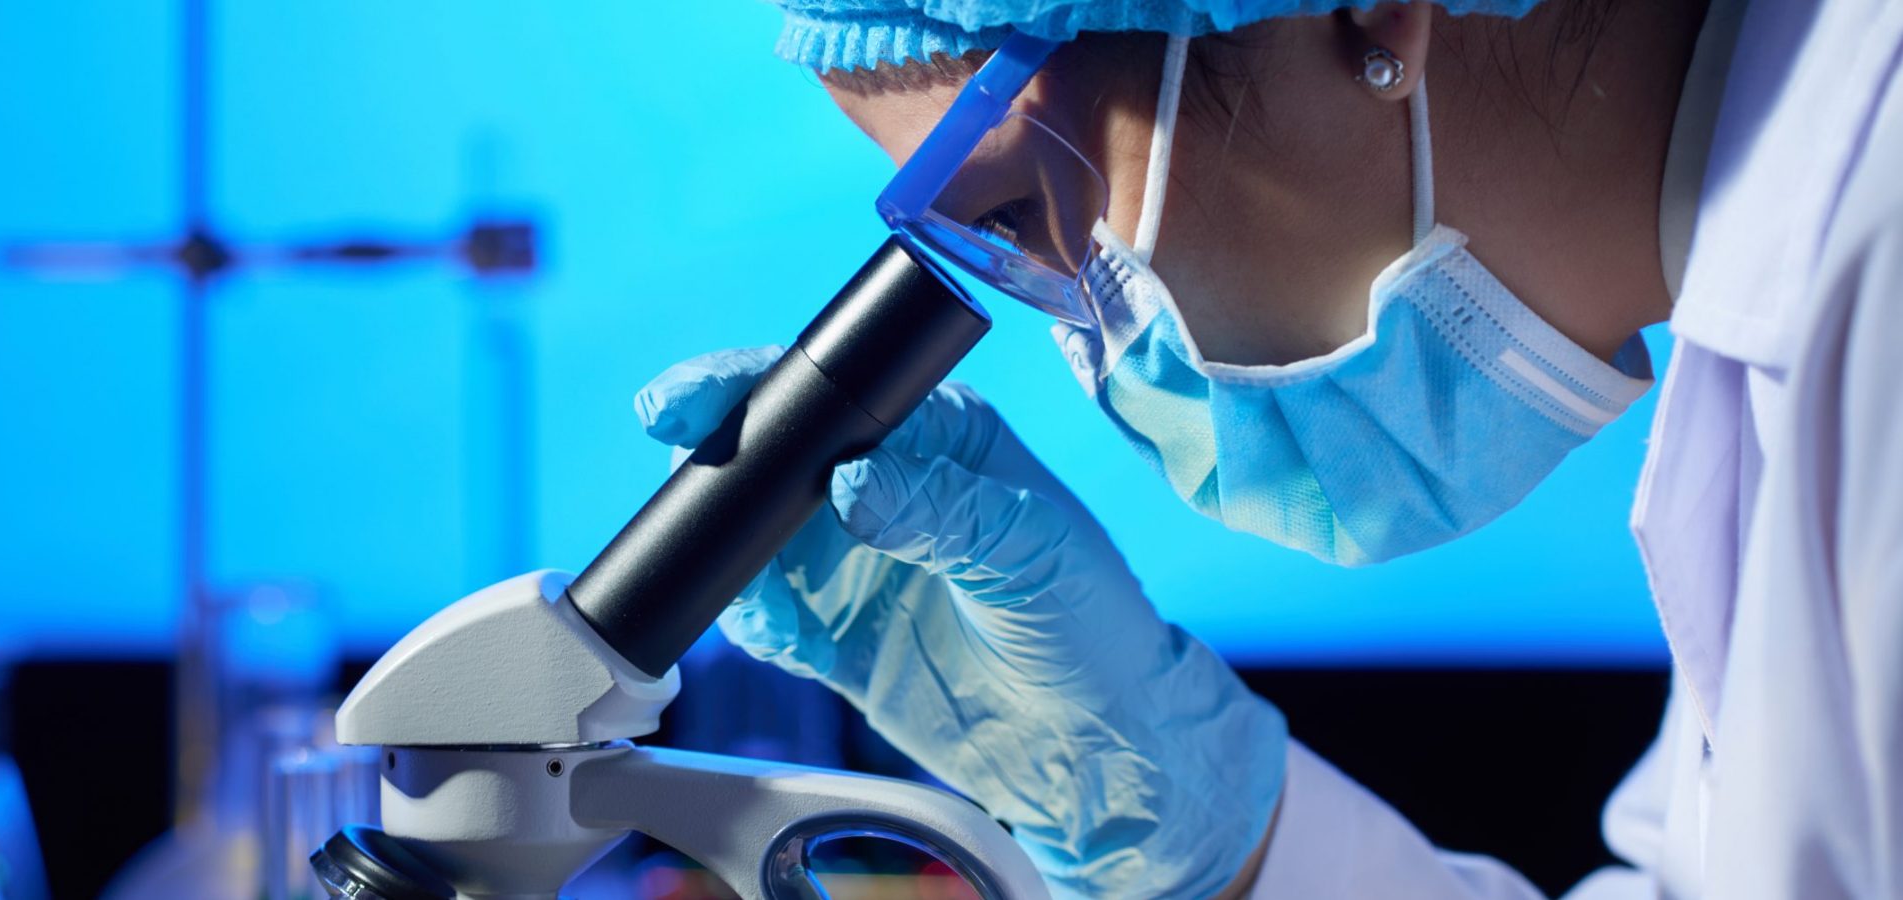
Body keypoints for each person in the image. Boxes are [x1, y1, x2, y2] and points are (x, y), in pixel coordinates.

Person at [633, 0, 1901, 896]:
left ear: (1371, 15)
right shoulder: (1790, 320)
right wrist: (1213, 849)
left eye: (1027, 210)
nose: (1093, 341)